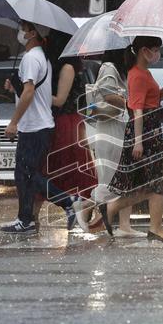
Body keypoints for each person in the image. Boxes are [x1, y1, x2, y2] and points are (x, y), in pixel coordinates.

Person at [100, 36, 163, 242]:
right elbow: (136, 110)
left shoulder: (145, 73)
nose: (157, 54)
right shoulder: (136, 75)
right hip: (144, 131)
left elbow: (153, 100)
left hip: (151, 129)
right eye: (155, 49)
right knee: (157, 180)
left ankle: (152, 226)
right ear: (144, 50)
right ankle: (149, 225)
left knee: (155, 182)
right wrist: (138, 141)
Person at [0, 20, 55, 234]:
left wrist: (13, 122)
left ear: (32, 33)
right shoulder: (41, 56)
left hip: (33, 127)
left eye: (22, 28)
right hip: (40, 125)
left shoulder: (31, 57)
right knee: (26, 175)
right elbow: (31, 90)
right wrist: (15, 86)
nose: (19, 32)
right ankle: (26, 218)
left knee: (26, 175)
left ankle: (68, 201)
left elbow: (30, 92)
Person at [40, 36, 101, 232]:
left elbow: (59, 100)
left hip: (68, 125)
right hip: (67, 124)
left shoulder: (67, 67)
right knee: (61, 172)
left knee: (66, 171)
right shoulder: (65, 67)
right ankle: (76, 209)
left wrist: (34, 94)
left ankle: (81, 209)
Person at [89, 50, 141, 237]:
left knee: (125, 178)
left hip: (119, 128)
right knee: (111, 177)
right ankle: (88, 209)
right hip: (110, 131)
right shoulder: (108, 68)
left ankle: (124, 225)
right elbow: (107, 95)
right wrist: (128, 101)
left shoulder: (120, 70)